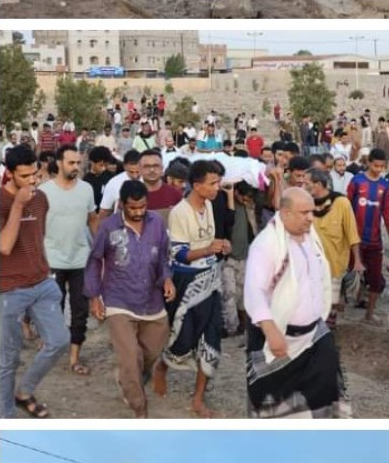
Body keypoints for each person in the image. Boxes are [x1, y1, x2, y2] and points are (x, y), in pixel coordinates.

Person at [243, 187, 349, 418]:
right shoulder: (266, 245)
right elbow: (254, 291)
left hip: (314, 334)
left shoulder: (310, 236)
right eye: (304, 212)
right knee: (273, 403)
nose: (311, 218)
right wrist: (271, 331)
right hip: (278, 337)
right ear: (285, 213)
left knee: (325, 394)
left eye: (312, 211)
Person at [85, 179, 175, 418]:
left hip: (152, 300)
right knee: (129, 356)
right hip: (118, 299)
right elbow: (94, 261)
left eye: (142, 206)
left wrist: (167, 279)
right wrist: (94, 296)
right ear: (121, 204)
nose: (138, 212)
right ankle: (139, 408)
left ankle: (129, 380)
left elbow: (165, 257)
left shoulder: (157, 223)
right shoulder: (108, 227)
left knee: (150, 354)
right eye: (132, 207)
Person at [153, 161, 229, 416]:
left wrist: (218, 246)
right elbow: (180, 254)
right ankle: (162, 367)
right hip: (187, 282)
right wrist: (209, 249)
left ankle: (198, 398)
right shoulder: (179, 213)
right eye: (213, 183)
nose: (217, 187)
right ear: (197, 186)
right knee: (183, 336)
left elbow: (207, 241)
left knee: (212, 336)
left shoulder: (208, 205)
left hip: (210, 279)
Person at [0, 143, 67, 418]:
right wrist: (18, 204)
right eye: (24, 176)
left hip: (42, 283)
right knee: (7, 359)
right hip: (7, 290)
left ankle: (24, 391)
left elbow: (37, 234)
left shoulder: (41, 198)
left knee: (59, 341)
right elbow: (4, 246)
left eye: (35, 175)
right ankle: (6, 416)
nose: (32, 181)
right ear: (10, 173)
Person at [40, 144, 97, 376]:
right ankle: (51, 348)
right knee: (53, 309)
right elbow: (36, 227)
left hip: (80, 260)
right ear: (60, 163)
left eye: (78, 163)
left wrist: (98, 249)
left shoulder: (86, 190)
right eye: (71, 162)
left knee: (80, 311)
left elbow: (92, 220)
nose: (76, 167)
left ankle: (74, 357)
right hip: (51, 260)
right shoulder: (44, 191)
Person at [347, 148, 389, 322]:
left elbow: (387, 212)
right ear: (368, 162)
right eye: (376, 165)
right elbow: (346, 208)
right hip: (354, 239)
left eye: (382, 167)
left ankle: (369, 314)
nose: (378, 169)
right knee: (347, 272)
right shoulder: (357, 182)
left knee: (375, 278)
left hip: (375, 239)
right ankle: (341, 307)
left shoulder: (385, 185)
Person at [309, 169, 361, 326]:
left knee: (330, 303)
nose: (303, 187)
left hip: (335, 264)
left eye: (307, 184)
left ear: (318, 185)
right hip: (311, 264)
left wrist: (357, 261)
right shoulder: (307, 204)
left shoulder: (341, 203)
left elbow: (352, 233)